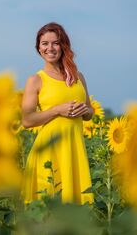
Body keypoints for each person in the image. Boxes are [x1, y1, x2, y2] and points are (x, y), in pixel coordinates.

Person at [22, 22, 94, 205]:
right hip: (49, 150)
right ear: (38, 47)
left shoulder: (78, 77)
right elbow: (27, 120)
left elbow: (89, 113)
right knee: (48, 210)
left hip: (74, 149)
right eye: (44, 43)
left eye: (55, 43)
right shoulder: (36, 80)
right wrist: (57, 110)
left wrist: (86, 110)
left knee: (76, 210)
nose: (50, 48)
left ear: (63, 46)